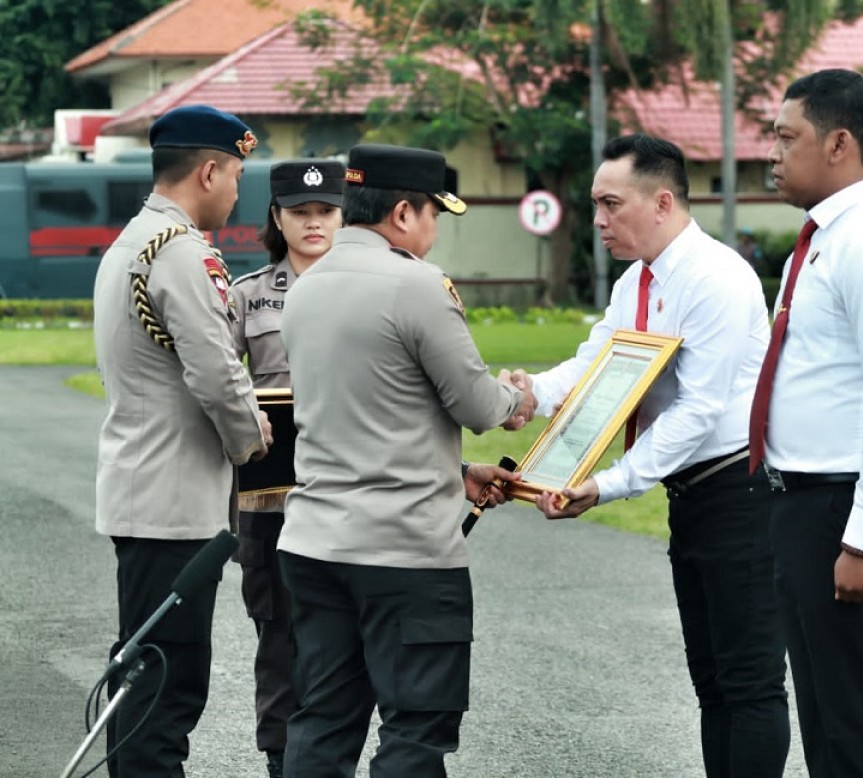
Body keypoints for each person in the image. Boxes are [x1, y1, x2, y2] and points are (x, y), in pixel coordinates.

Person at [509, 133, 790, 777]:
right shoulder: (638, 279)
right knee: (712, 681)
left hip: (741, 494)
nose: (598, 220)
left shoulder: (716, 278)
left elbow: (700, 410)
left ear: (662, 202)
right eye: (595, 205)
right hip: (692, 498)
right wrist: (529, 394)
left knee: (748, 682)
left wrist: (609, 483)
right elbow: (597, 366)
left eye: (611, 204)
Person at [276, 143, 536, 777]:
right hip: (403, 552)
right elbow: (479, 405)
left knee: (323, 719)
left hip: (314, 542)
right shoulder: (416, 284)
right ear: (401, 212)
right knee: (415, 731)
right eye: (433, 214)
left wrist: (457, 474)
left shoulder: (306, 286)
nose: (434, 230)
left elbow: (358, 416)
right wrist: (517, 398)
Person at [752, 69, 863, 777]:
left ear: (838, 144)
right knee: (828, 724)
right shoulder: (826, 238)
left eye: (786, 137)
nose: (772, 154)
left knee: (855, 727)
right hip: (804, 502)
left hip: (844, 505)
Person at [92, 104, 272, 776]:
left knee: (143, 673)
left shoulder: (133, 242)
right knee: (167, 684)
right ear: (208, 172)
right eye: (236, 177)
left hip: (145, 492)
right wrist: (253, 438)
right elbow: (218, 373)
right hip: (173, 503)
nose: (236, 193)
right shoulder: (182, 253)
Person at [228, 158, 345, 778]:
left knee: (345, 638)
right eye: (300, 212)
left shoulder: (369, 287)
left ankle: (327, 759)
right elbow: (219, 388)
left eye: (326, 211)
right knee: (277, 639)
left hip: (348, 495)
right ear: (277, 217)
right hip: (269, 500)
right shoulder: (245, 295)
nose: (314, 223)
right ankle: (281, 761)